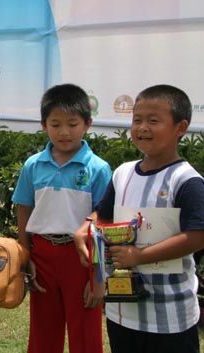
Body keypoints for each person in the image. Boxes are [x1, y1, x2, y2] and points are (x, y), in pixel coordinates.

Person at [73, 84, 204, 353]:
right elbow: (103, 214)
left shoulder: (186, 181)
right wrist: (86, 227)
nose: (142, 127)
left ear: (181, 128)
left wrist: (139, 256)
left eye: (153, 121)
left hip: (170, 315)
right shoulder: (123, 173)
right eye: (137, 120)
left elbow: (197, 236)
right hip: (123, 310)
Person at [11, 83, 111, 353]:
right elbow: (24, 209)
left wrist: (98, 276)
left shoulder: (98, 168)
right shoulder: (33, 165)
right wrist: (26, 253)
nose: (64, 132)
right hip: (41, 255)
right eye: (55, 124)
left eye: (72, 123)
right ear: (44, 125)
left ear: (87, 124)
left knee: (86, 334)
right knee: (43, 332)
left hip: (82, 258)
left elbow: (104, 221)